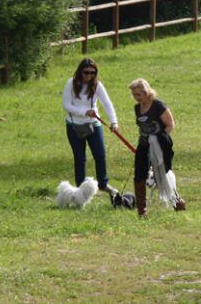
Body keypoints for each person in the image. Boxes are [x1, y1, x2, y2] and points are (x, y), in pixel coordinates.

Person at [62, 58, 118, 196]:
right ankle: (80, 188)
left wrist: (114, 122)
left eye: (92, 73)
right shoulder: (71, 83)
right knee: (80, 158)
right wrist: (84, 112)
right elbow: (66, 105)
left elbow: (107, 103)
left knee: (100, 154)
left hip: (93, 124)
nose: (89, 75)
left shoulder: (97, 85)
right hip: (74, 125)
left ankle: (103, 184)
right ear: (80, 71)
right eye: (86, 72)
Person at [129, 78, 185, 217]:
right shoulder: (137, 108)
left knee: (163, 174)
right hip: (143, 145)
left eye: (139, 94)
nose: (136, 98)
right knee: (139, 175)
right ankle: (142, 211)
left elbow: (170, 124)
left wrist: (159, 140)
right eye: (134, 95)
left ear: (147, 92)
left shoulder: (158, 105)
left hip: (161, 146)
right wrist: (147, 140)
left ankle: (177, 202)